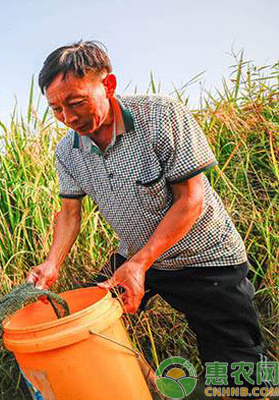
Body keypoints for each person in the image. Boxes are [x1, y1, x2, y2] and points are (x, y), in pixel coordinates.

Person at [26, 40, 268, 400]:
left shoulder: (161, 116)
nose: (68, 118)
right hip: (136, 258)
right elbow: (69, 214)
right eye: (56, 109)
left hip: (206, 258)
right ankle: (150, 387)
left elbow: (191, 200)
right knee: (88, 325)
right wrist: (51, 263)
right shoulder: (68, 151)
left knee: (238, 366)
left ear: (108, 85)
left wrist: (140, 263)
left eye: (76, 103)